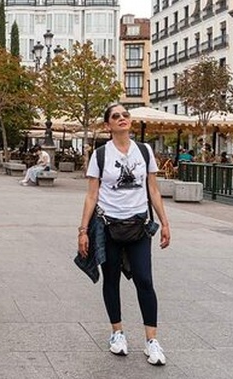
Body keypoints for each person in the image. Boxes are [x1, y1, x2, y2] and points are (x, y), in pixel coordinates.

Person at [77, 103, 172, 366]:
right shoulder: (100, 155)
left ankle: (151, 340)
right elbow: (91, 195)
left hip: (139, 225)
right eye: (115, 116)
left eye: (125, 115)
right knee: (111, 281)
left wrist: (165, 222)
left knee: (144, 280)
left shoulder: (145, 151)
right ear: (108, 125)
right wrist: (83, 230)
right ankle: (117, 333)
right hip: (108, 226)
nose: (122, 119)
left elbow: (153, 189)